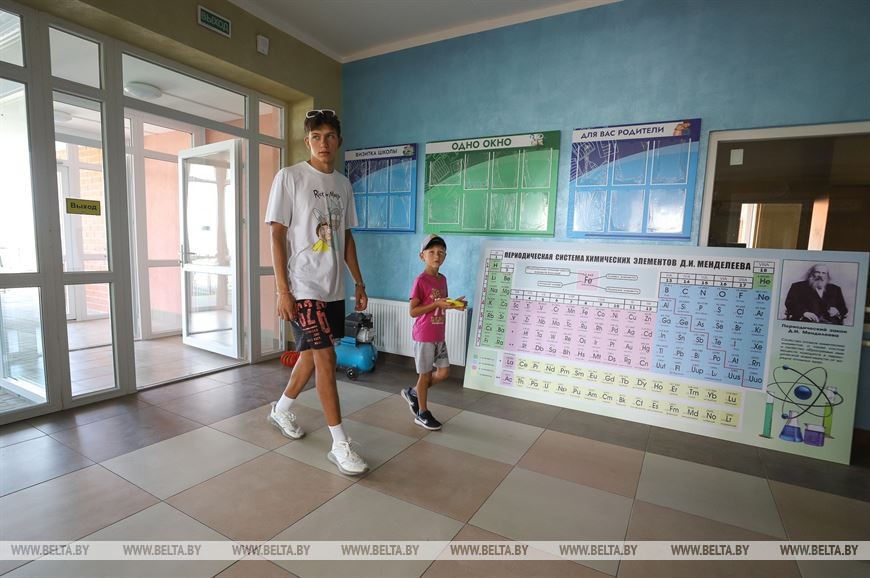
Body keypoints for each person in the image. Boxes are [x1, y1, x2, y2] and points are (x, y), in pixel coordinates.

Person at [264, 108, 369, 475]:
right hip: (303, 285)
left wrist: (358, 280)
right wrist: (282, 291)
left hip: (333, 287)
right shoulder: (290, 177)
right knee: (325, 359)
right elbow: (276, 234)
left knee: (310, 356)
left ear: (338, 141)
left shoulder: (343, 184)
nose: (323, 143)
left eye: (329, 136)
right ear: (307, 141)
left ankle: (280, 411)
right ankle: (340, 445)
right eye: (316, 136)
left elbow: (347, 237)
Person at [401, 234, 465, 430]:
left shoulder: (442, 279)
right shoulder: (420, 280)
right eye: (431, 252)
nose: (436, 256)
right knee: (425, 375)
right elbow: (413, 311)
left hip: (439, 334)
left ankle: (413, 393)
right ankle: (422, 412)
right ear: (422, 256)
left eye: (441, 252)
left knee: (444, 372)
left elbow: (439, 304)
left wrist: (454, 305)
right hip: (424, 335)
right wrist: (436, 303)